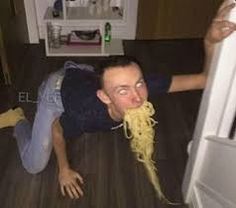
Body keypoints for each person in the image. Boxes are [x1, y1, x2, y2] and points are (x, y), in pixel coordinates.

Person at [0, 0, 236, 200]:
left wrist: (210, 41)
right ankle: (18, 119)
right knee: (34, 165)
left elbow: (204, 80)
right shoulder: (88, 113)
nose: (137, 97)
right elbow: (56, 129)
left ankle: (86, 73)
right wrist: (64, 169)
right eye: (123, 91)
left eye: (139, 83)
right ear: (105, 97)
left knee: (109, 82)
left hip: (85, 75)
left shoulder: (141, 88)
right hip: (56, 90)